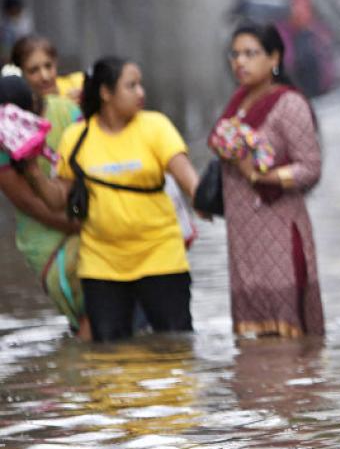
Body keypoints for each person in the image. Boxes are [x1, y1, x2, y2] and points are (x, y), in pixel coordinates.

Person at [23, 56, 199, 342]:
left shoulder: (155, 126)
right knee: (108, 355)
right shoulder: (76, 137)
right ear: (106, 93)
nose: (141, 93)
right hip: (102, 264)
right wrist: (31, 170)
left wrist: (203, 196)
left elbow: (187, 176)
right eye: (131, 86)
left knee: (175, 346)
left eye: (140, 85)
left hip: (161, 257)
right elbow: (57, 199)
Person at [210, 22, 324, 338]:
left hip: (280, 231)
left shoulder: (290, 104)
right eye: (235, 54)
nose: (240, 62)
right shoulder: (237, 104)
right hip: (242, 235)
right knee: (253, 347)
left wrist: (263, 176)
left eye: (250, 53)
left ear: (274, 58)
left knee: (288, 340)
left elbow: (311, 168)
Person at [0, 75, 88, 337]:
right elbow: (34, 205)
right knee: (89, 320)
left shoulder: (65, 111)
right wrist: (92, 228)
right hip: (50, 245)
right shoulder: (4, 137)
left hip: (88, 225)